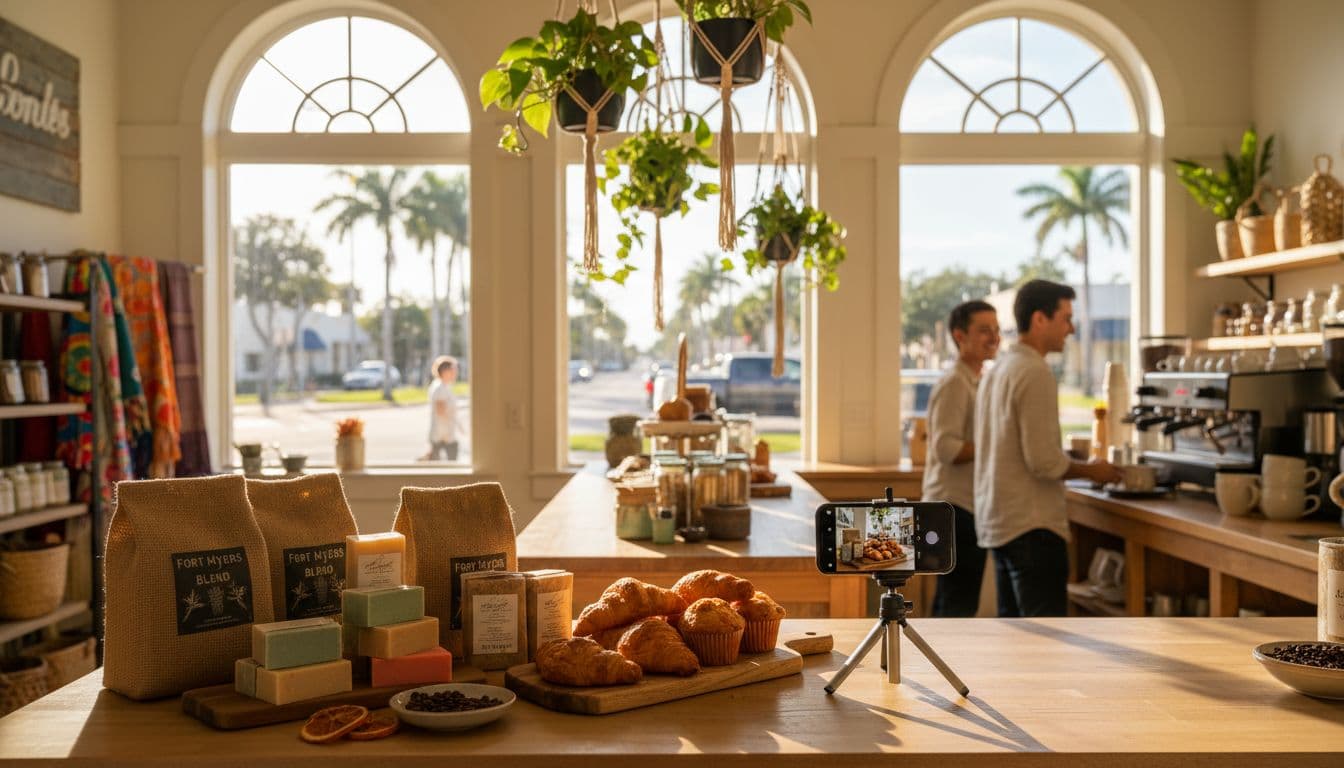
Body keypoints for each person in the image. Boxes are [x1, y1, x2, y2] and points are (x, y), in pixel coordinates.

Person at [973, 280, 1121, 617]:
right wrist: (1095, 470)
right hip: (1032, 527)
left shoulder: (998, 370)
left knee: (1014, 637)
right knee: (1046, 642)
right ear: (1040, 319)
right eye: (1066, 318)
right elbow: (1043, 462)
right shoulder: (1035, 371)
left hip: (998, 521)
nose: (1071, 329)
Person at [924, 300, 999, 617]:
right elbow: (946, 448)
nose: (994, 337)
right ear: (959, 335)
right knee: (957, 605)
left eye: (996, 330)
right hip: (953, 510)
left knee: (953, 601)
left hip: (966, 508)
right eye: (984, 330)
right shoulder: (955, 382)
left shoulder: (976, 380)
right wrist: (996, 445)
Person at [422, 355, 460, 461]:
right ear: (445, 371)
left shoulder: (445, 386)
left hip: (446, 434)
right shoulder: (439, 388)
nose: (456, 373)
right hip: (442, 436)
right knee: (444, 465)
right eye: (453, 369)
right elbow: (441, 412)